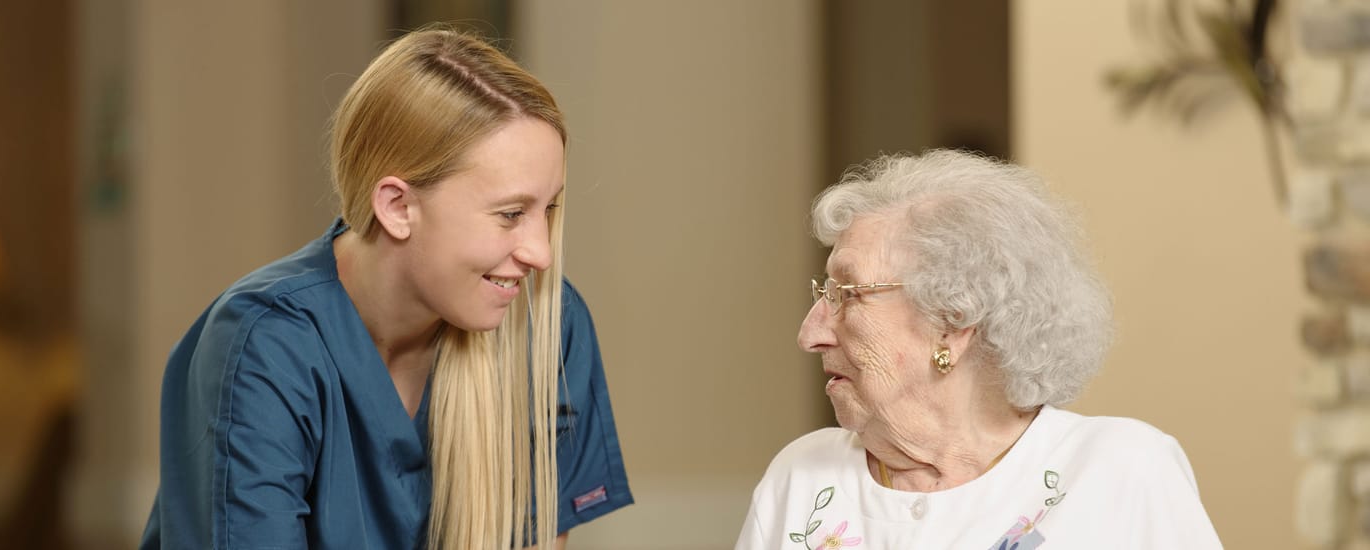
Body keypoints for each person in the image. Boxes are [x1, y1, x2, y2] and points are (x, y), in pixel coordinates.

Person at [140, 26, 631, 549]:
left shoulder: (547, 322)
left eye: (548, 209)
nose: (542, 254)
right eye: (511, 214)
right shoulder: (265, 344)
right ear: (397, 207)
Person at [736, 150, 1220, 549]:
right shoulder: (801, 480)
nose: (811, 333)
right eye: (824, 294)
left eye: (848, 294)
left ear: (953, 320)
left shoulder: (1119, 471)